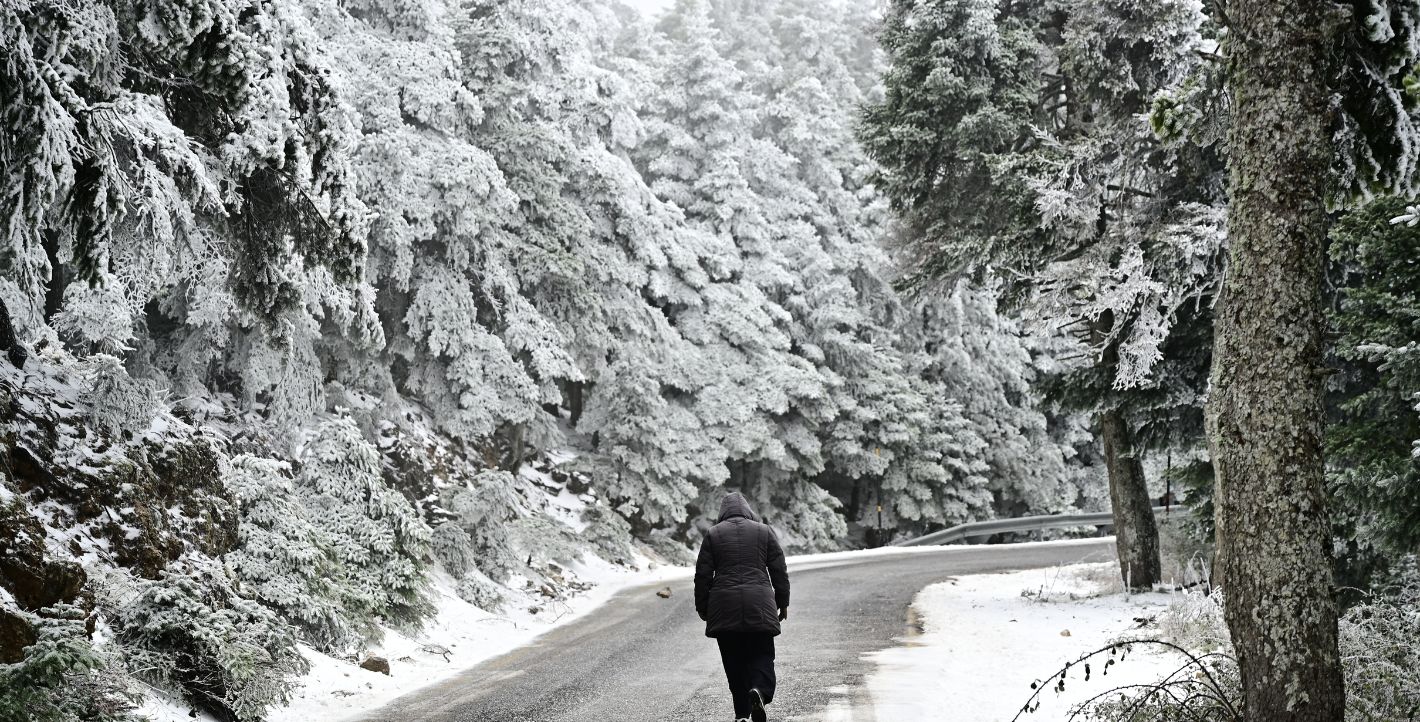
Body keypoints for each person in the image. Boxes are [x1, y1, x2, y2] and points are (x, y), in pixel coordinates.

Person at [694, 492, 790, 722]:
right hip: (759, 606)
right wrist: (783, 602)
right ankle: (759, 691)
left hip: (724, 608)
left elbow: (703, 575)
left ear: (722, 513)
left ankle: (741, 714)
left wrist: (703, 607)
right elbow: (779, 570)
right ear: (748, 511)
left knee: (733, 661)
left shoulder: (713, 534)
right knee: (762, 655)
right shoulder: (763, 531)